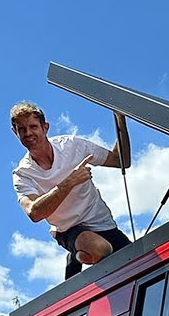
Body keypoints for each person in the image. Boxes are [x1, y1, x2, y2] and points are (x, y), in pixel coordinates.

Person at [10, 101, 131, 270]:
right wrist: (70, 181)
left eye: (33, 127)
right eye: (22, 129)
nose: (28, 133)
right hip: (68, 229)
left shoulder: (72, 145)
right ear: (15, 132)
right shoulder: (23, 174)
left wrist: (121, 119)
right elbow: (34, 213)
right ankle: (79, 254)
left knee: (137, 261)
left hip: (102, 222)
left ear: (45, 127)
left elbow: (121, 160)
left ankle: (80, 255)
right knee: (101, 249)